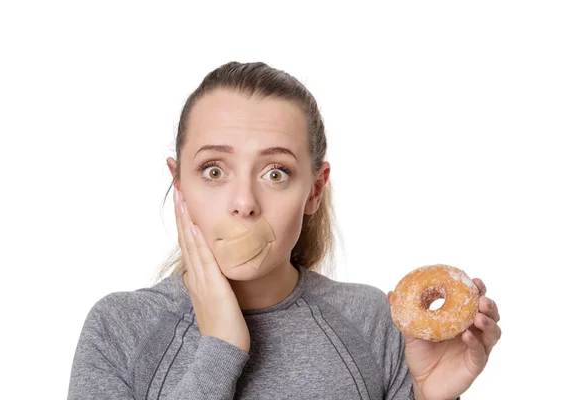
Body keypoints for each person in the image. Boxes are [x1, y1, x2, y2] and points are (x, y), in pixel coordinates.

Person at [67, 61, 501, 400]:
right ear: (178, 183)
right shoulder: (120, 328)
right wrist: (220, 346)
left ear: (314, 191)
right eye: (213, 169)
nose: (244, 202)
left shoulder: (372, 321)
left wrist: (428, 394)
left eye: (276, 173)